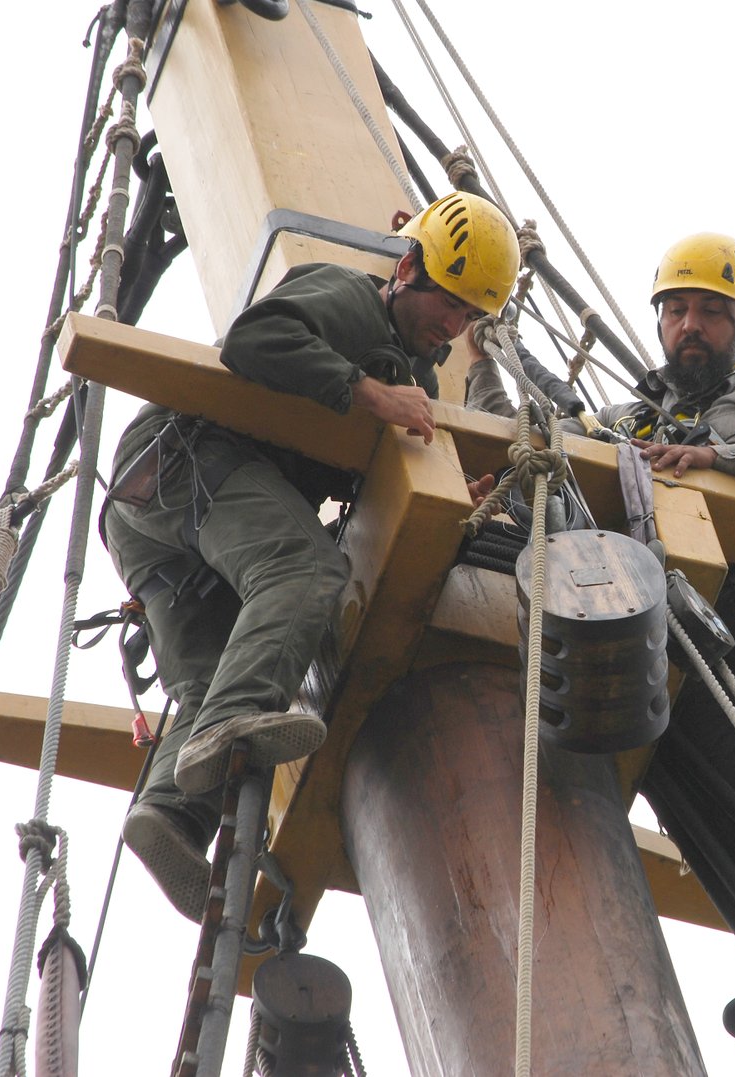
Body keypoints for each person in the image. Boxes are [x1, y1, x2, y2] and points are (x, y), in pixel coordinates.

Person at [466, 232, 735, 1045]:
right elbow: (550, 435)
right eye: (676, 311)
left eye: (709, 311)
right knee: (701, 779)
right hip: (681, 605)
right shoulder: (631, 418)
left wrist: (714, 457)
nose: (690, 325)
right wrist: (488, 340)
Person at [102, 191, 521, 921]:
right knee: (305, 570)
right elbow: (255, 338)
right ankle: (235, 723)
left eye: (468, 315)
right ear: (408, 269)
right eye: (448, 302)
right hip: (186, 461)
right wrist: (372, 395)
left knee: (211, 680)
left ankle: (170, 815)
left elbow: (365, 484)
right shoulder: (354, 302)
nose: (453, 326)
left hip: (159, 524)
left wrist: (456, 498)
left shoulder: (415, 382)